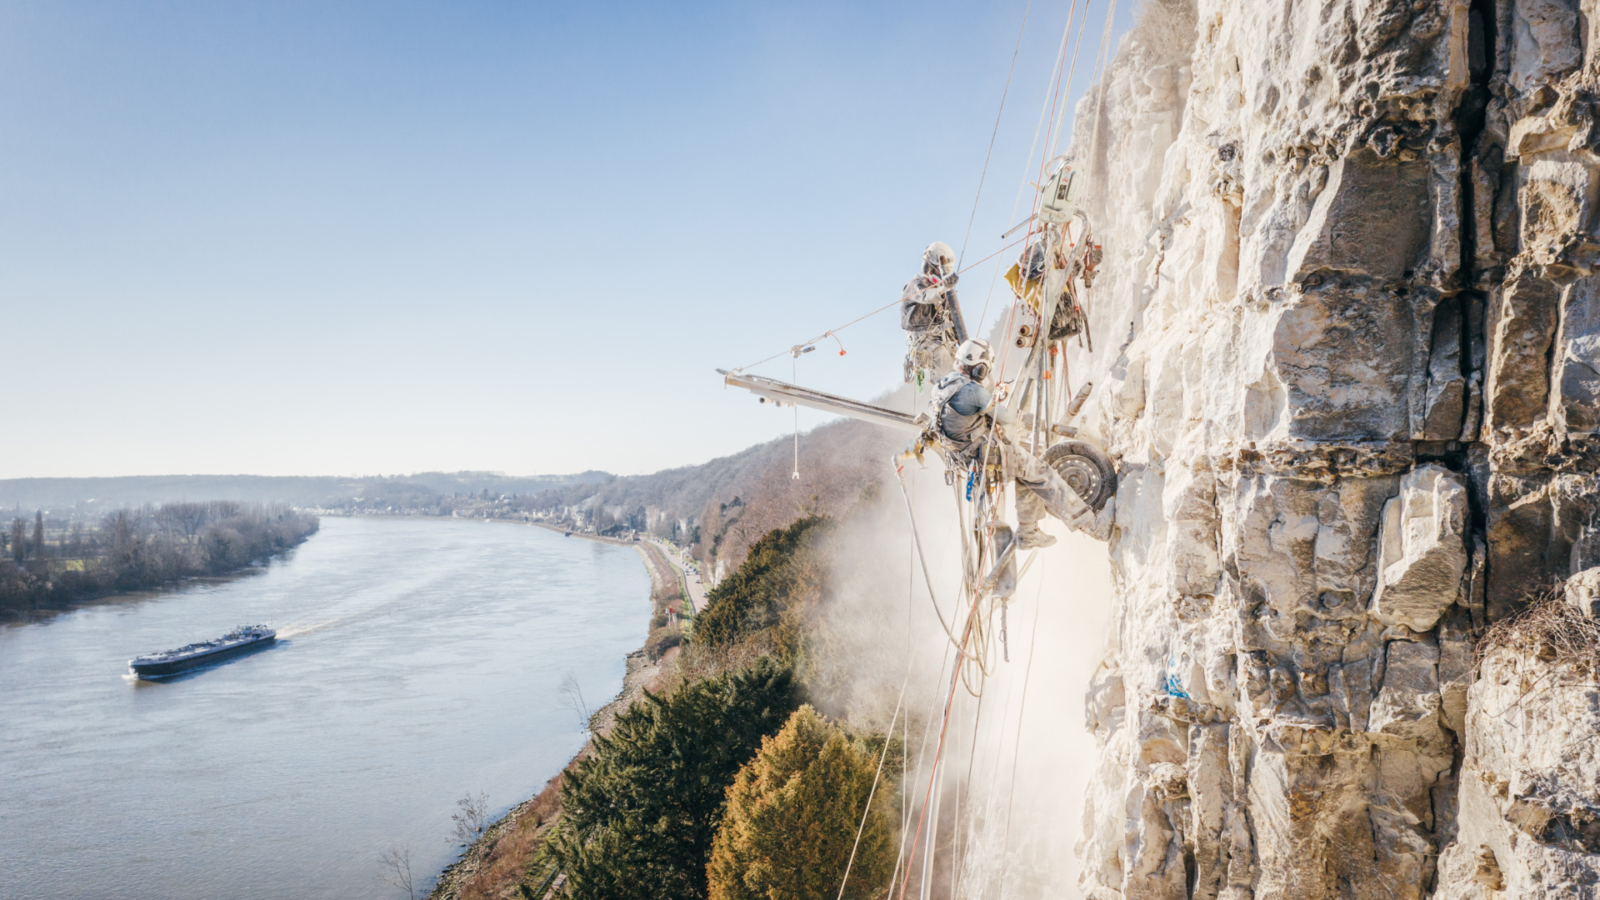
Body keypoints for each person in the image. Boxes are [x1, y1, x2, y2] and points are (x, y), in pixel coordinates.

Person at [932, 338, 1098, 548]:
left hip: (963, 458)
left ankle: (1028, 532)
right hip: (983, 456)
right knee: (1040, 471)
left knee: (1023, 465)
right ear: (980, 369)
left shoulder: (942, 387)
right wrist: (995, 399)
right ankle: (1089, 523)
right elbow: (1007, 418)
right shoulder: (973, 391)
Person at [901, 241, 968, 386]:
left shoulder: (943, 291)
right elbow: (925, 296)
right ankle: (947, 399)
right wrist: (943, 288)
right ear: (930, 267)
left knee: (967, 366)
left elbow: (953, 318)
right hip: (927, 343)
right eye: (940, 271)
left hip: (945, 341)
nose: (941, 275)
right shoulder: (914, 285)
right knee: (948, 372)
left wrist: (966, 346)